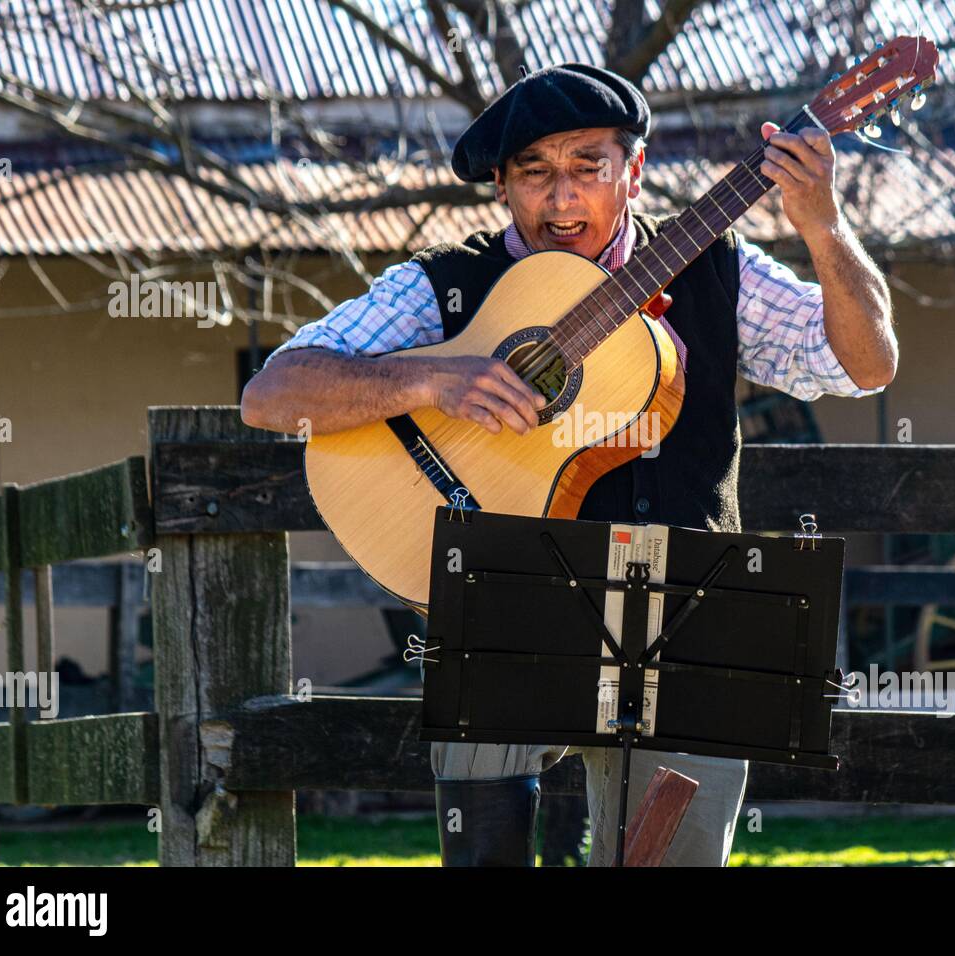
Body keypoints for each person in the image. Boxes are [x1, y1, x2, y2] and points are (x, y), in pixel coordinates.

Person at [241, 62, 896, 866]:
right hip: (502, 605)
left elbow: (865, 366)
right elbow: (272, 394)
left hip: (690, 611)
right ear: (502, 188)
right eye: (535, 174)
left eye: (589, 168)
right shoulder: (447, 287)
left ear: (635, 172)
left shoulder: (717, 268)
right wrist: (429, 377)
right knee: (487, 859)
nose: (561, 199)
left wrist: (823, 227)